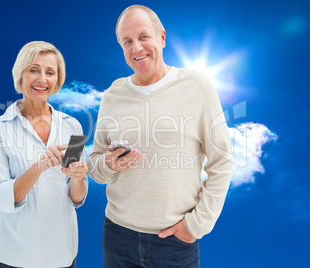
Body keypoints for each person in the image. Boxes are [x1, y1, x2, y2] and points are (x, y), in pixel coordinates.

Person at [88, 5, 233, 268]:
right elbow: (96, 165)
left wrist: (196, 225)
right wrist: (108, 165)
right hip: (117, 237)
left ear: (162, 38)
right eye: (127, 42)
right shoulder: (112, 95)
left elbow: (222, 160)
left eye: (143, 37)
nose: (136, 49)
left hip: (175, 243)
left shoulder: (197, 87)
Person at [0, 41, 88, 268]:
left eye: (50, 72)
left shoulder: (73, 126)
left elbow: (77, 198)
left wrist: (79, 177)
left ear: (57, 80)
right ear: (20, 74)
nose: (42, 79)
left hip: (60, 254)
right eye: (34, 70)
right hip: (10, 255)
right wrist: (38, 167)